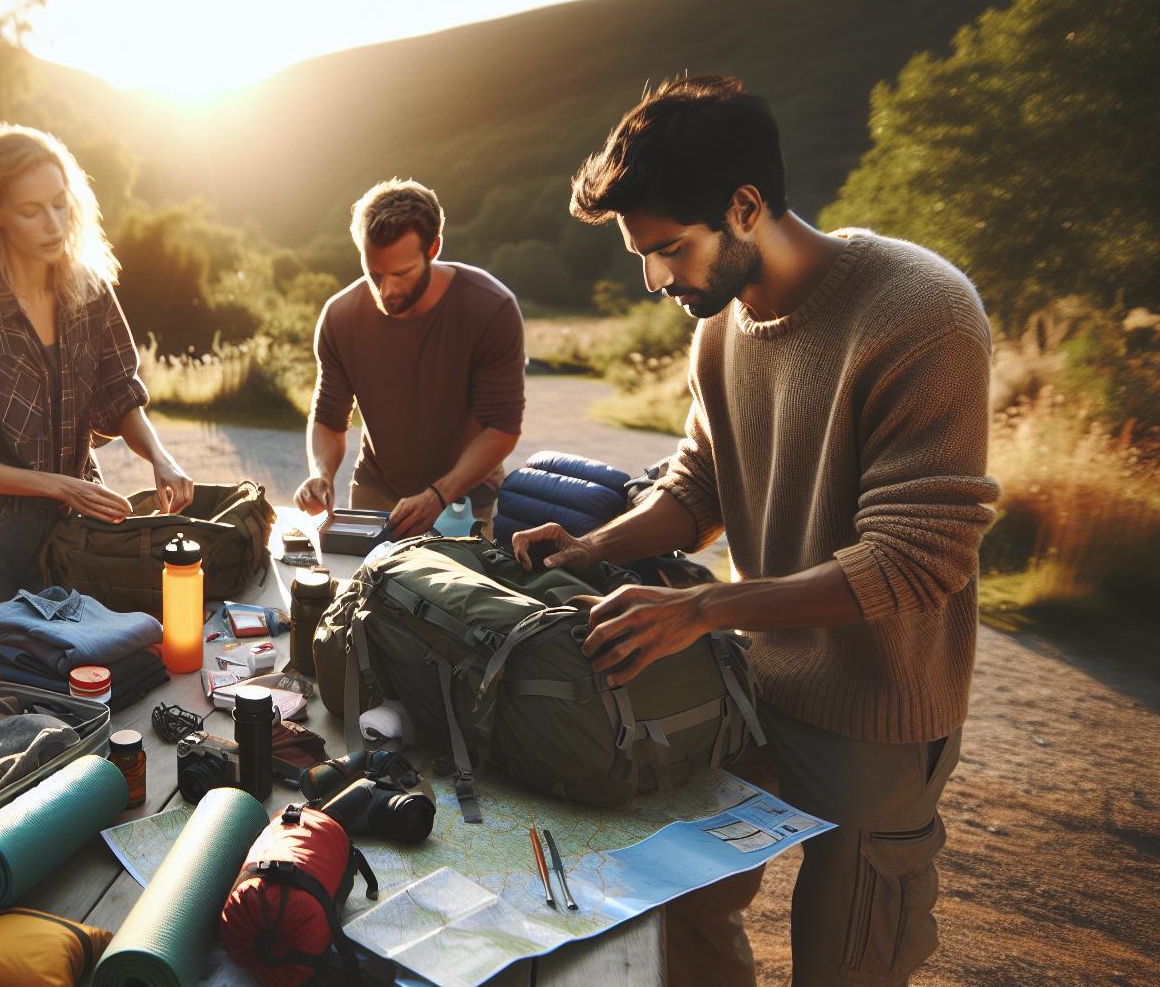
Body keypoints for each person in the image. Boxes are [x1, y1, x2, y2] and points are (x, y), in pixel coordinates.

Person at [515, 75, 1000, 986]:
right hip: (755, 690)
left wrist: (704, 612)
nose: (655, 279)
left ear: (746, 206)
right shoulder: (719, 327)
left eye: (669, 249)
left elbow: (918, 559)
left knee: (847, 958)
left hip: (877, 713)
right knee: (677, 910)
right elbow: (701, 488)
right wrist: (594, 547)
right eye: (642, 256)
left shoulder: (919, 313)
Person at [0, 125, 192, 635]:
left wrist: (161, 456)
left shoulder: (91, 291)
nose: (53, 223)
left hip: (73, 538)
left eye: (61, 204)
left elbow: (120, 392)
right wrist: (59, 485)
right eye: (31, 210)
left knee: (82, 688)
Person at [294, 179, 525, 538]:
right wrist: (320, 473)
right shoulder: (340, 317)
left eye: (401, 274)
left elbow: (502, 428)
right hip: (376, 490)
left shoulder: (490, 309)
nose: (386, 290)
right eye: (374, 273)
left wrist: (438, 495)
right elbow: (329, 415)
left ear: (433, 248)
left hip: (465, 497)